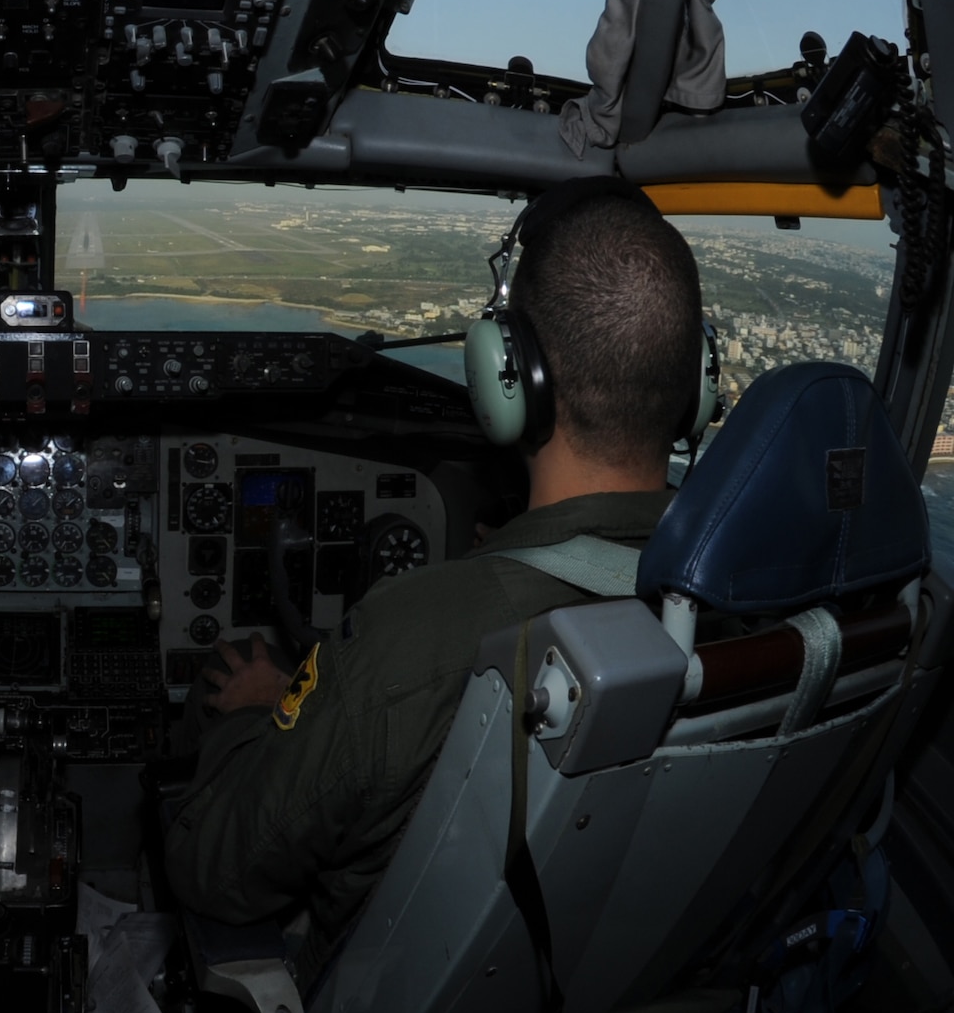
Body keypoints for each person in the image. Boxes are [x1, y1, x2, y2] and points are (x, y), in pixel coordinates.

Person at [162, 180, 705, 965]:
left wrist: (263, 711)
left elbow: (211, 869)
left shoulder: (408, 641)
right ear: (695, 387)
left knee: (225, 674)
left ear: (507, 377)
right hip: (608, 968)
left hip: (375, 973)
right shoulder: (756, 603)